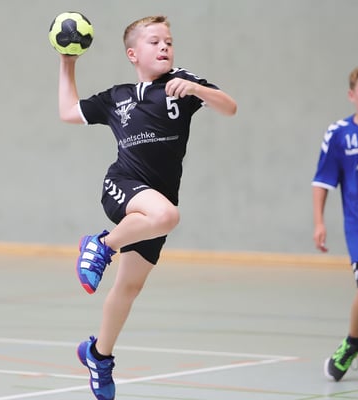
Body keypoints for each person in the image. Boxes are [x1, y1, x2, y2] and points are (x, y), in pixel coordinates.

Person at [55, 15, 237, 400]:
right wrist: (67, 62)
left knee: (129, 287)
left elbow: (230, 107)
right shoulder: (117, 97)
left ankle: (98, 355)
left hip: (153, 207)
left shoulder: (181, 84)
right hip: (122, 186)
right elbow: (69, 112)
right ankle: (102, 244)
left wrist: (198, 90)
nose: (164, 47)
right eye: (154, 41)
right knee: (168, 215)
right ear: (133, 54)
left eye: (168, 41)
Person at [312, 64, 358, 381]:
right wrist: (319, 223)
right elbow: (323, 181)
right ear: (352, 95)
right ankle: (352, 343)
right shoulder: (339, 134)